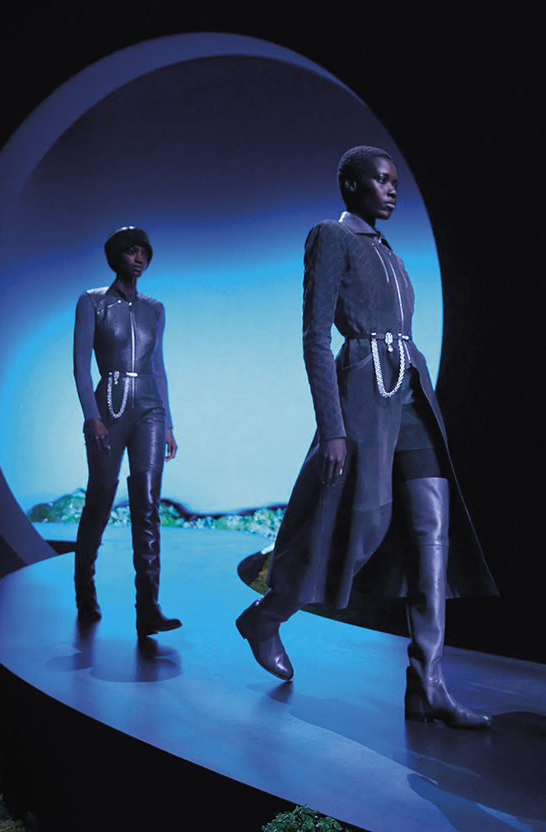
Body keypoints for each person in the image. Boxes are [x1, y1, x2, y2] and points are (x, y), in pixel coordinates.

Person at [236, 147, 498, 728]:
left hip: (410, 394)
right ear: (351, 184)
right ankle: (266, 616)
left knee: (432, 532)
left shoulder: (390, 252)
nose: (392, 189)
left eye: (395, 180)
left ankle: (428, 683)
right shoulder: (331, 236)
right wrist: (331, 426)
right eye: (381, 179)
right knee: (357, 528)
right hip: (361, 394)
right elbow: (314, 336)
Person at [73, 226, 182, 638]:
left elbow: (159, 367)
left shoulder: (155, 308)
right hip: (108, 406)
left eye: (144, 253)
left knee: (148, 502)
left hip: (150, 407)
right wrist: (92, 416)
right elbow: (80, 365)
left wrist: (168, 422)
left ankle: (148, 607)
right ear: (116, 256)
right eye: (132, 252)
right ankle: (84, 589)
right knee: (100, 497)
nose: (139, 259)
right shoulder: (92, 302)